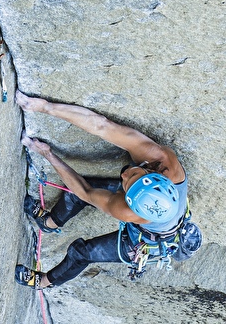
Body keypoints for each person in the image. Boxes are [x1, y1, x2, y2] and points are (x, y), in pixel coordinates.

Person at [14, 93, 200, 287]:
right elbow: (101, 126)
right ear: (153, 172)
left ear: (130, 204)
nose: (124, 176)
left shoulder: (128, 212)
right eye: (134, 175)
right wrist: (44, 106)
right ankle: (49, 223)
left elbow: (85, 191)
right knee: (72, 196)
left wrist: (48, 155)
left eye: (126, 185)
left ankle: (43, 282)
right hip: (153, 207)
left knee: (82, 253)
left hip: (145, 241)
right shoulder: (162, 159)